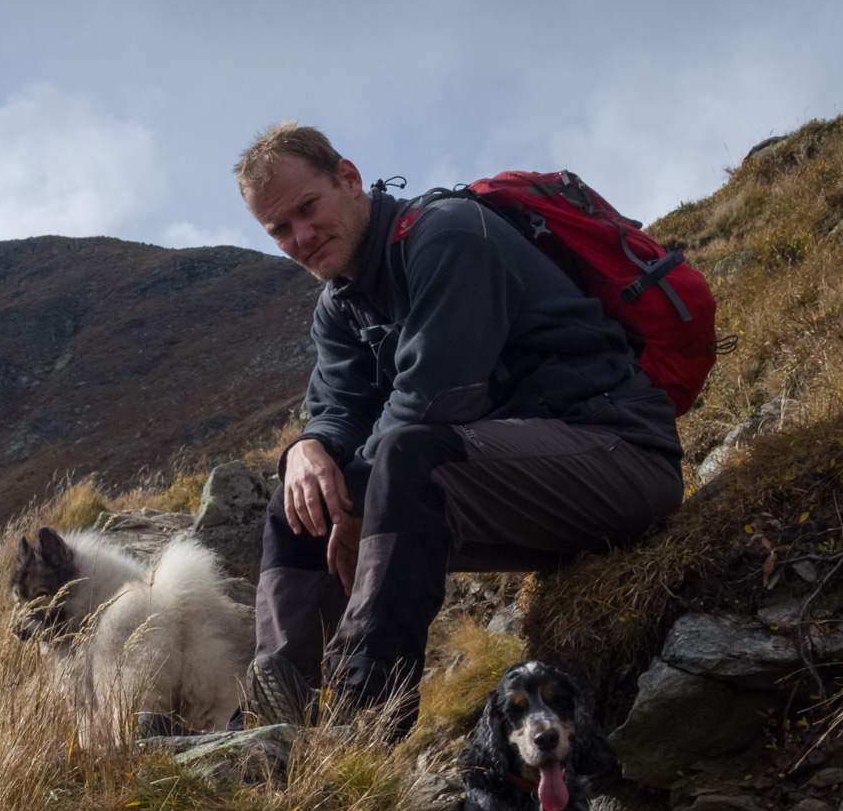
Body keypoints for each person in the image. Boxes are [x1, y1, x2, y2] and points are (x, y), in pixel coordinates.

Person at [234, 122, 685, 734]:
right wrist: (309, 448)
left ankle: (361, 722)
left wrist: (358, 503)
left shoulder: (446, 235)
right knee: (305, 489)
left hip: (619, 458)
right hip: (517, 489)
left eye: (308, 209)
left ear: (348, 177)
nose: (302, 236)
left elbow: (437, 397)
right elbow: (337, 406)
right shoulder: (339, 304)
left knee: (406, 459)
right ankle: (277, 720)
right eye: (281, 230)